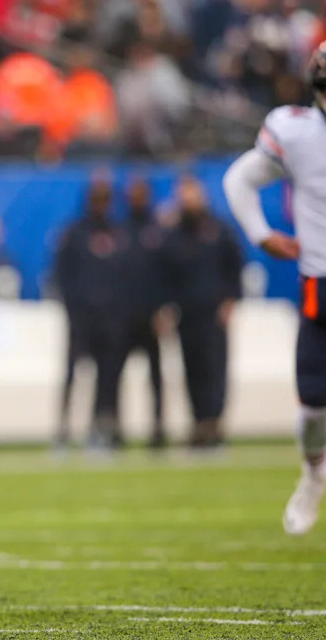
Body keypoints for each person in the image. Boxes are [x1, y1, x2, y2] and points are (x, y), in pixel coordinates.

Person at [222, 44, 322, 535]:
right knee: (312, 406)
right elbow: (240, 179)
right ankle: (313, 474)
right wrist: (261, 233)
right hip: (320, 281)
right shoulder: (297, 131)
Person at [161, 175, 242, 449]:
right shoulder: (174, 234)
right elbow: (165, 274)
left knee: (215, 369)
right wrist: (167, 308)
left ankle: (214, 424)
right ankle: (198, 424)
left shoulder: (219, 230)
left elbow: (235, 266)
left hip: (213, 313)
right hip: (187, 313)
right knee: (191, 369)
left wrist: (231, 300)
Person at [53, 176, 127, 449]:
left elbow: (126, 277)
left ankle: (101, 430)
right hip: (81, 318)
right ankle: (63, 430)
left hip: (110, 321)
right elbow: (61, 275)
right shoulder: (74, 233)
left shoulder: (119, 233)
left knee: (107, 378)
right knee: (72, 375)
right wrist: (74, 308)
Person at [116, 176, 167, 448]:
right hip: (124, 316)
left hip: (151, 315)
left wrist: (164, 308)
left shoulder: (157, 229)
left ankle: (158, 428)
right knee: (115, 374)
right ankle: (115, 430)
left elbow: (167, 274)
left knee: (156, 375)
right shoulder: (119, 229)